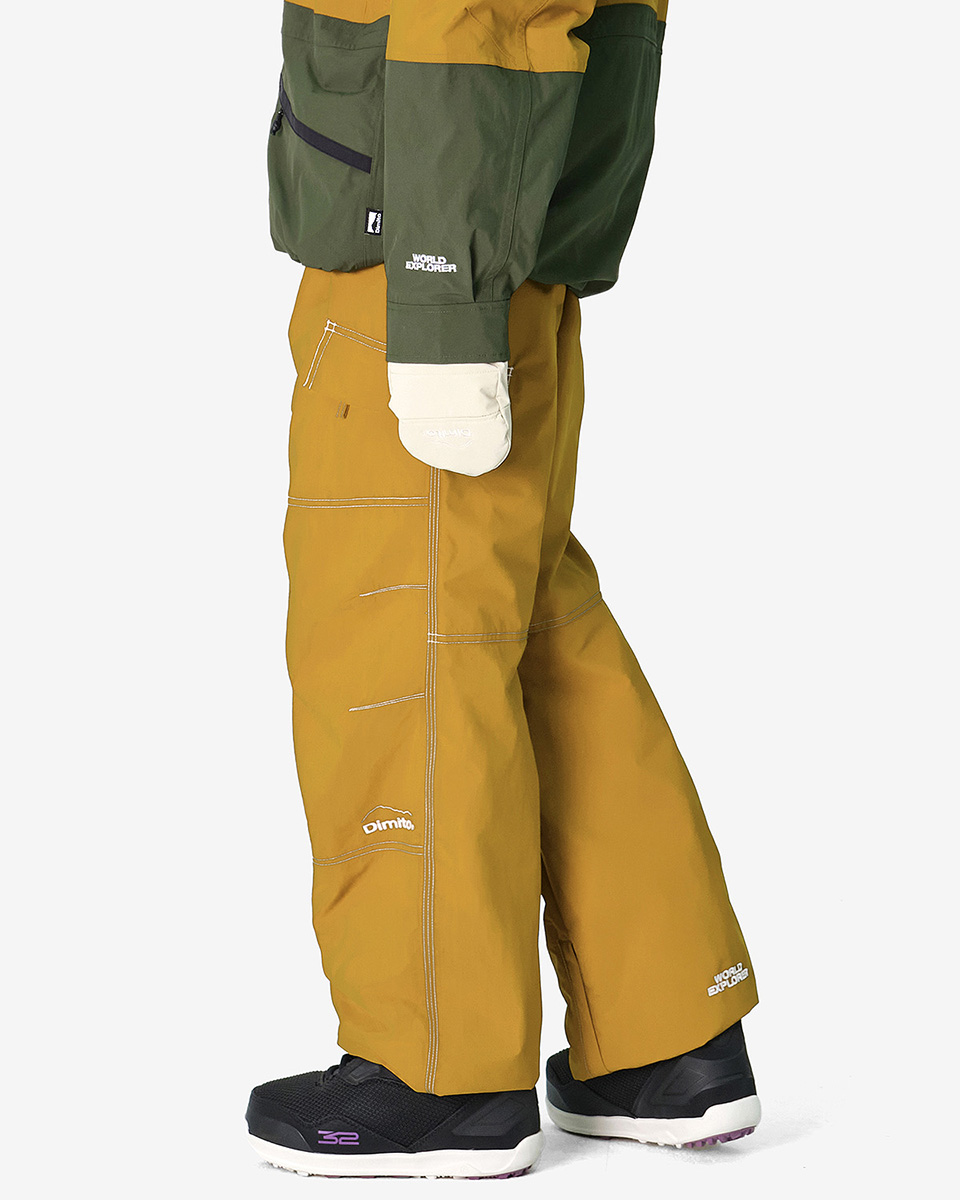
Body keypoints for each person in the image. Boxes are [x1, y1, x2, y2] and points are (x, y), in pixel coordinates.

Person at [246, 0, 760, 1178]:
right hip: (495, 251)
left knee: (399, 645)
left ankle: (439, 1073)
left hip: (422, 266)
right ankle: (665, 1036)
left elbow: (466, 18)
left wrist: (442, 308)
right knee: (522, 627)